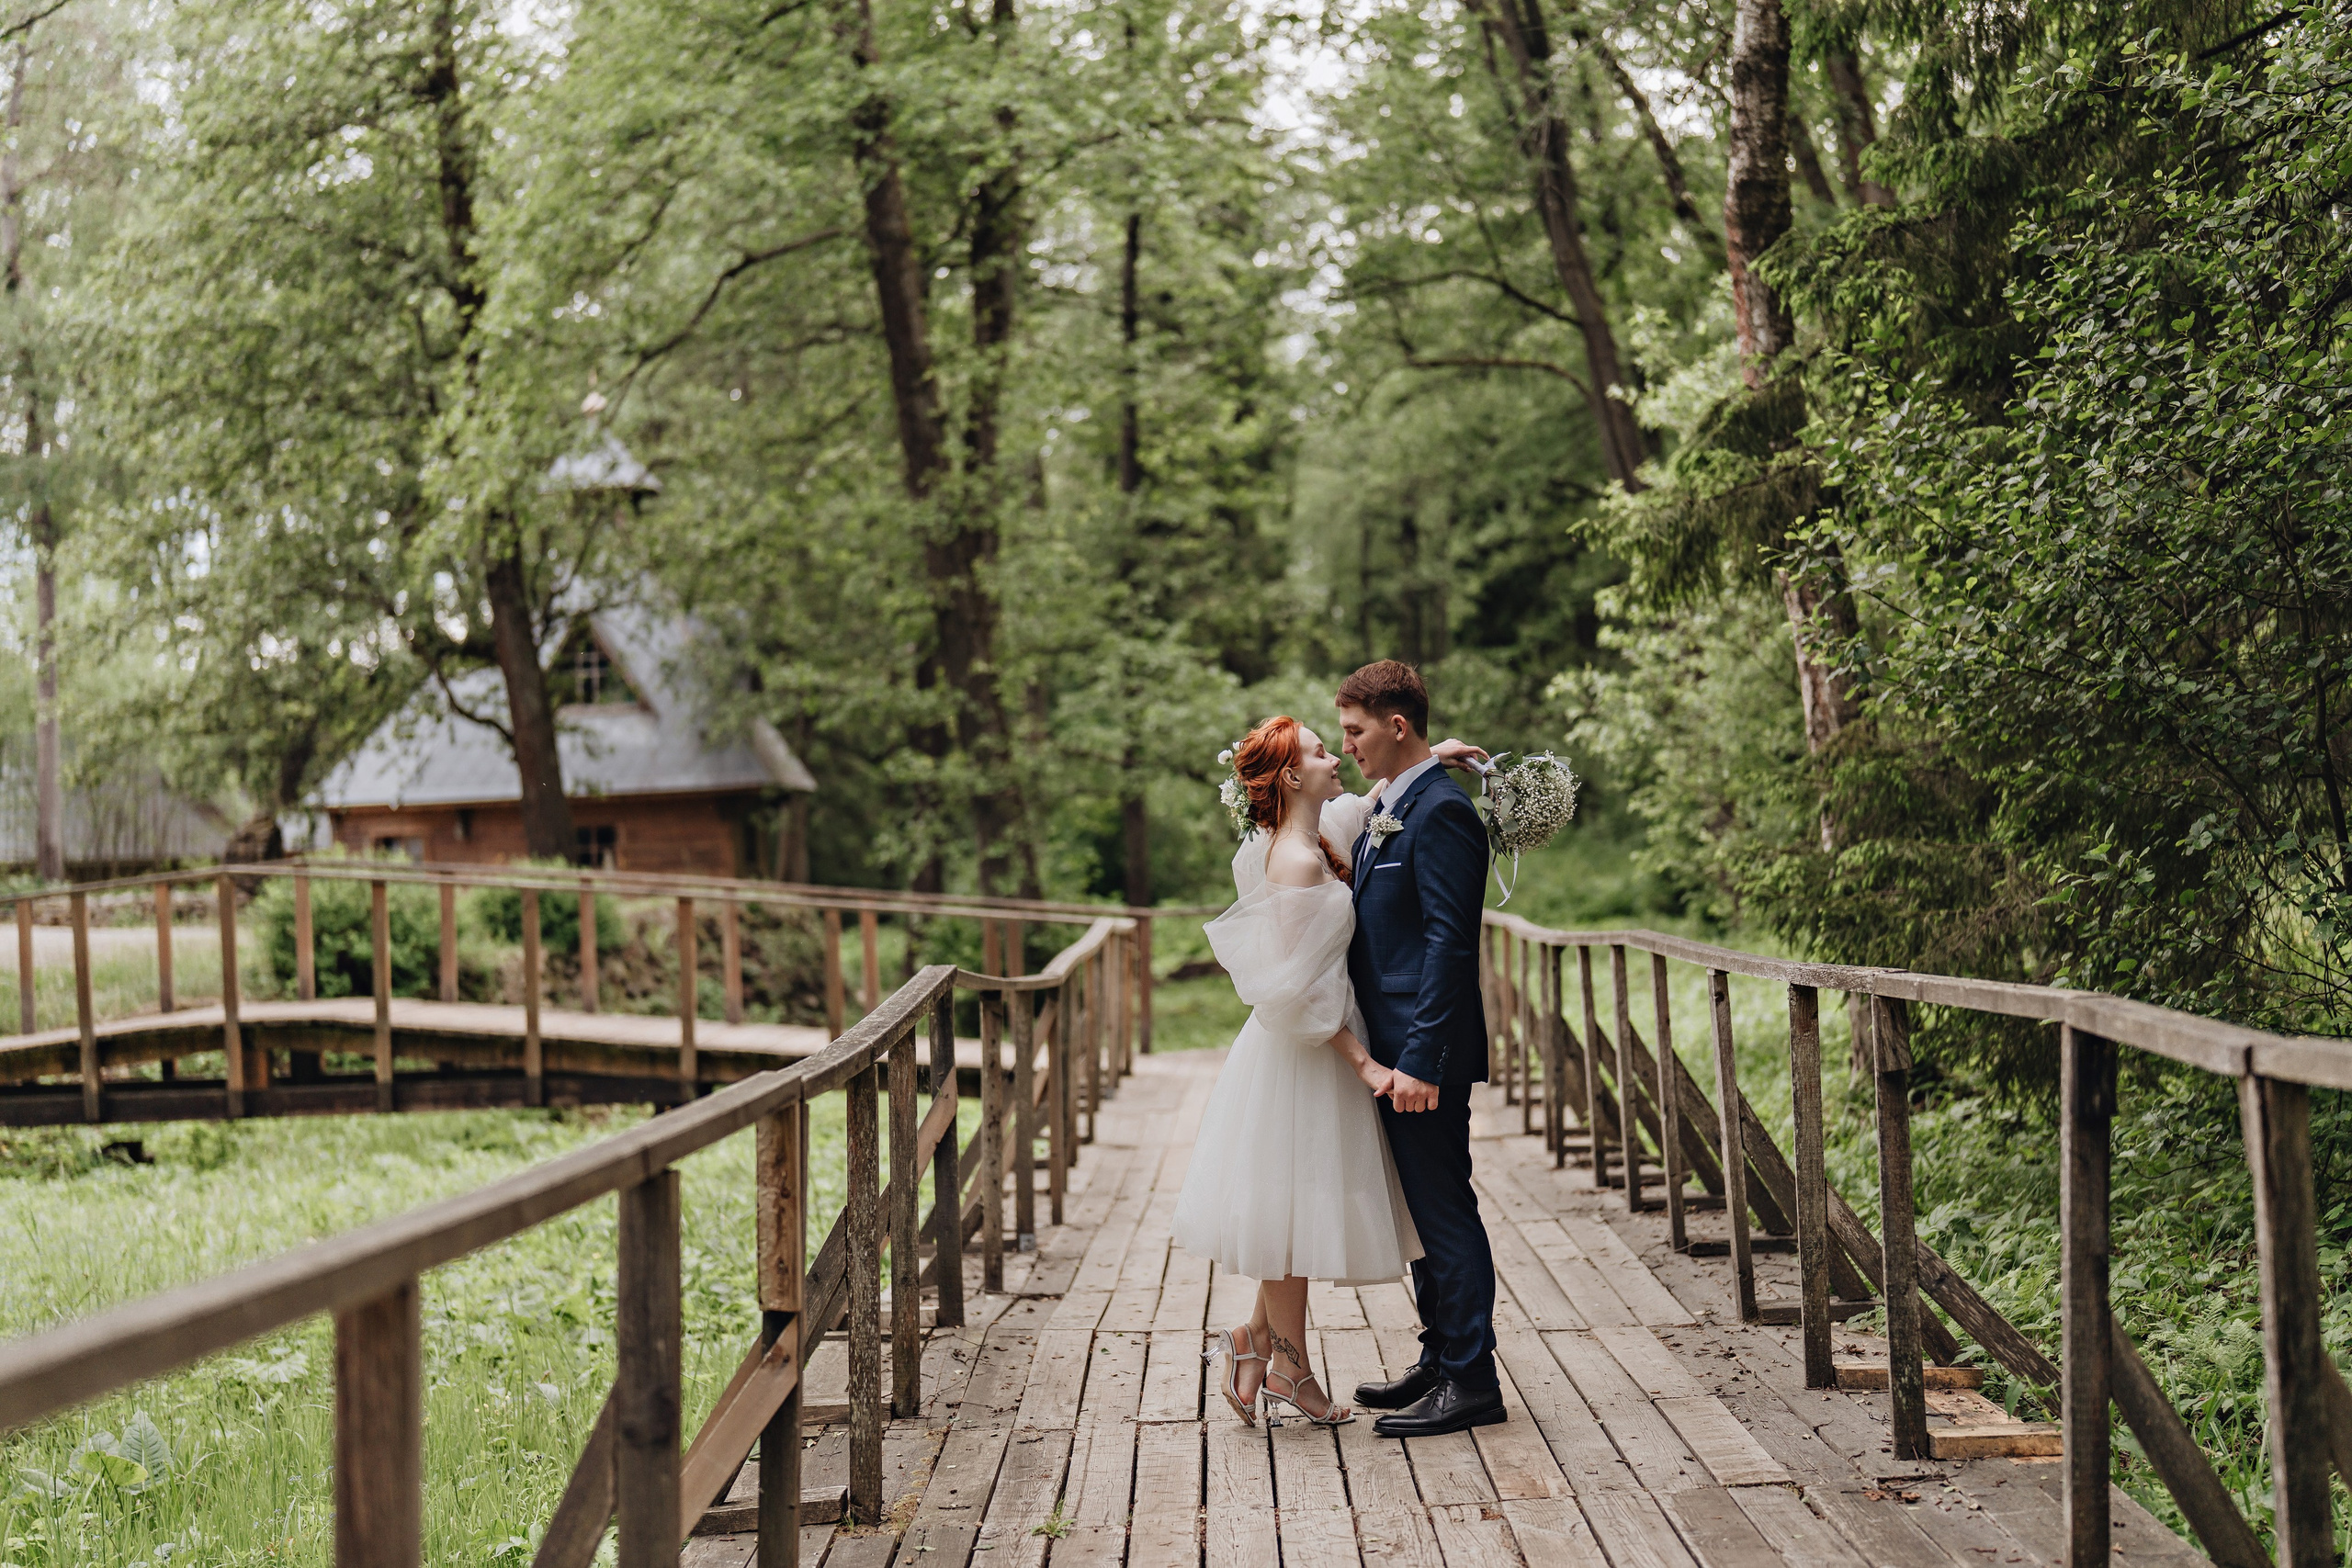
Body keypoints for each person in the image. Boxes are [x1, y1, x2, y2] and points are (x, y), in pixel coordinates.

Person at [1170, 708, 1488, 1429]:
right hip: (1309, 1049)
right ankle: (1288, 1364)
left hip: (1322, 1045)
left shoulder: (1317, 831)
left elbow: (1371, 800)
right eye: (1322, 749)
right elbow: (1296, 989)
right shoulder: (1294, 857)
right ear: (1290, 773)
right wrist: (1365, 1062)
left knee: (1297, 1202)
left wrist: (1429, 753)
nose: (1337, 755)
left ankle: (1266, 1348)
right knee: (1294, 1205)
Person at [1333, 660, 1506, 1438]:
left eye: (1356, 730)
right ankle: (1440, 1356)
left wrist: (1421, 1058)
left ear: (1396, 725)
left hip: (1419, 1054)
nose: (1349, 746)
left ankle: (1472, 1379)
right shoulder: (1403, 798)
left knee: (1444, 1212)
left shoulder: (1440, 813)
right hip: (1398, 1047)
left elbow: (1448, 944)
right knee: (1424, 1212)